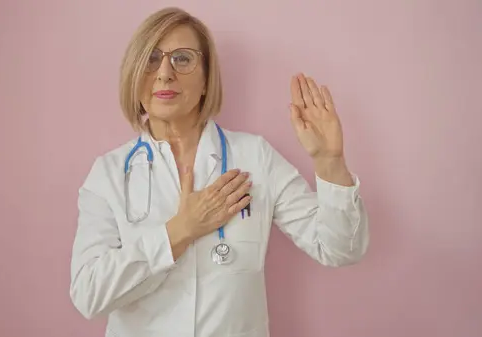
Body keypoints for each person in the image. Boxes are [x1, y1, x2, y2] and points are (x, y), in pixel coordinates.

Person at [69, 6, 369, 337]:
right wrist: (178, 232)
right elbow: (89, 295)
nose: (165, 73)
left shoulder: (255, 157)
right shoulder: (108, 175)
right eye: (151, 58)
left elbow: (340, 249)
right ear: (134, 75)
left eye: (182, 59)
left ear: (206, 79)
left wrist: (329, 161)